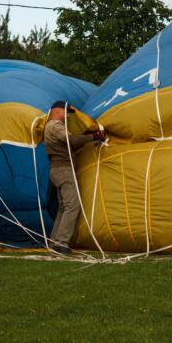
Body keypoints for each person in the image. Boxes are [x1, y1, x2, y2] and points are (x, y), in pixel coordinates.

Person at [43, 100, 105, 254]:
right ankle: (62, 242)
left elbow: (73, 144)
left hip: (57, 170)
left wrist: (90, 138)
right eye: (66, 112)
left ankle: (55, 242)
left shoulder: (53, 127)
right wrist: (95, 136)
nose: (68, 116)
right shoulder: (55, 126)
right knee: (73, 205)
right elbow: (71, 141)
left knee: (64, 207)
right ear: (57, 110)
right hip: (63, 169)